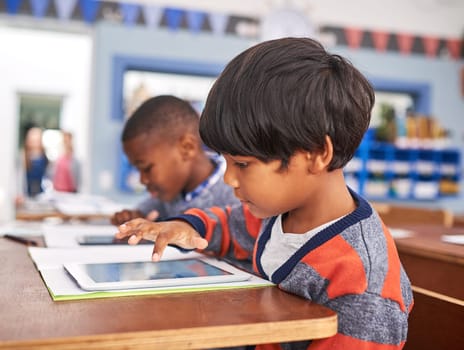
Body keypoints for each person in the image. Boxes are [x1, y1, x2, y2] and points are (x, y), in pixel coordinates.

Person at [115, 38, 413, 349]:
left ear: (315, 154)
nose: (229, 178)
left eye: (242, 163)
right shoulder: (280, 213)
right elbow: (231, 224)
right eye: (225, 162)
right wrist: (188, 227)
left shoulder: (363, 283)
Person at [110, 94, 239, 225]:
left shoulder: (236, 197)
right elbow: (142, 213)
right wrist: (133, 217)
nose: (142, 180)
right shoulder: (169, 194)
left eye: (147, 168)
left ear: (187, 148)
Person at [22, 126, 49, 197]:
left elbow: (47, 176)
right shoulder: (24, 156)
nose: (35, 142)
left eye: (36, 139)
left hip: (40, 193)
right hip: (27, 193)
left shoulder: (44, 157)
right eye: (33, 139)